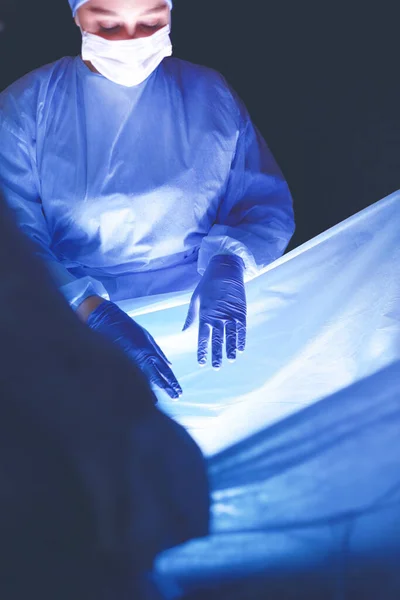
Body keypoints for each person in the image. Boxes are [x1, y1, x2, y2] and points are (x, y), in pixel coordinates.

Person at [0, 0, 295, 399]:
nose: (132, 40)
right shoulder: (27, 109)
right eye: (108, 25)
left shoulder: (208, 94)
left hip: (208, 319)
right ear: (76, 16)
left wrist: (229, 262)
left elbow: (262, 203)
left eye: (151, 21)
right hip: (76, 330)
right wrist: (88, 310)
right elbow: (13, 243)